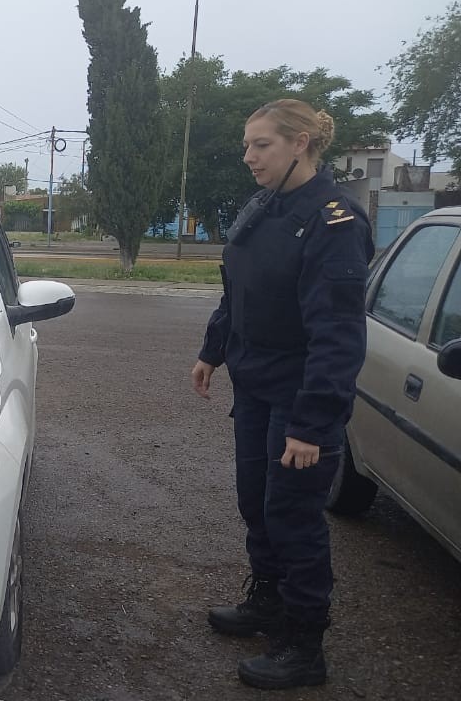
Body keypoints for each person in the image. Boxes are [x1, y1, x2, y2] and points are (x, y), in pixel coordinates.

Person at [191, 99, 375, 690]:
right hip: (254, 382)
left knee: (294, 515)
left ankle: (303, 643)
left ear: (300, 144)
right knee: (256, 501)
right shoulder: (264, 206)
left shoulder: (335, 221)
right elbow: (237, 290)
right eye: (247, 146)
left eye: (261, 145)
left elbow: (338, 334)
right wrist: (213, 350)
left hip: (300, 393)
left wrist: (313, 423)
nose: (249, 157)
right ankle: (268, 601)